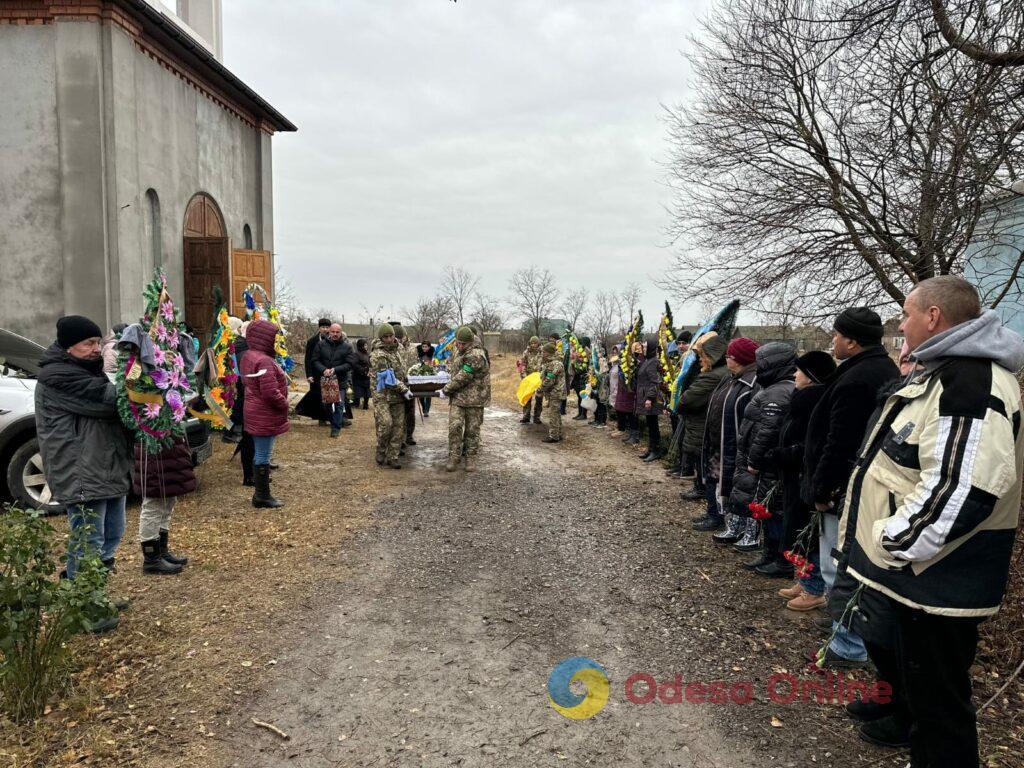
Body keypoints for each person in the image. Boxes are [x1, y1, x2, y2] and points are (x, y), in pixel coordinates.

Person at [836, 278, 1024, 767]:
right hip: (918, 577)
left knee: (940, 711)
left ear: (934, 317)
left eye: (906, 313)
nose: (900, 324)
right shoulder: (946, 373)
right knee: (921, 696)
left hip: (936, 580)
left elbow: (964, 489)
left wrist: (891, 540)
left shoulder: (971, 383)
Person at [803, 307, 898, 668]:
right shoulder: (869, 369)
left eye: (837, 335)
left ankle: (848, 642)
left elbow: (841, 441)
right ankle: (843, 629)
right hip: (852, 488)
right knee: (840, 562)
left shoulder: (860, 378)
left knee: (841, 563)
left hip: (844, 490)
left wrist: (823, 488)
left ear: (852, 340)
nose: (833, 341)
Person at [35, 315, 133, 633]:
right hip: (79, 467)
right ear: (68, 347)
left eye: (97, 343)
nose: (95, 349)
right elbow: (109, 404)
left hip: (104, 463)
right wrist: (141, 385)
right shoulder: (57, 377)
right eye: (87, 344)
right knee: (88, 539)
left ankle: (95, 594)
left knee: (113, 532)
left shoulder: (87, 370)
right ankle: (83, 604)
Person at [764, 351, 836, 587]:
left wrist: (785, 454)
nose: (795, 375)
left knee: (809, 531)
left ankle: (812, 586)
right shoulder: (801, 398)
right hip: (792, 473)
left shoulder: (815, 402)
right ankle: (804, 579)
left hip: (802, 473)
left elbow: (811, 443)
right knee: (797, 528)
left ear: (812, 376)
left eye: (800, 371)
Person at [727, 342, 797, 555]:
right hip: (758, 456)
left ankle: (771, 552)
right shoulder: (772, 389)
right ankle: (768, 550)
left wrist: (754, 459)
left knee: (768, 504)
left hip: (763, 461)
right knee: (760, 500)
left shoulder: (777, 393)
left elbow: (767, 430)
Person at [698, 337, 759, 533]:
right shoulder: (730, 378)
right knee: (715, 479)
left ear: (740, 358)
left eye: (729, 356)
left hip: (733, 444)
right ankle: (715, 514)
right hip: (719, 443)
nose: (726, 359)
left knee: (732, 484)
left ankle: (734, 524)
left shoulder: (751, 383)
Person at [240, 319, 289, 508]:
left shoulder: (249, 356)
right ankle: (262, 495)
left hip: (254, 411)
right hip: (264, 414)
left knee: (260, 452)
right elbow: (269, 392)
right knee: (263, 454)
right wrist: (284, 403)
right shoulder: (264, 361)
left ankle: (261, 493)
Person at [677, 333, 729, 499]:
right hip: (704, 423)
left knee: (704, 465)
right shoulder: (721, 372)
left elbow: (687, 399)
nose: (700, 360)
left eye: (703, 356)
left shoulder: (712, 376)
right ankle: (702, 491)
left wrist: (679, 400)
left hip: (702, 424)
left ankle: (708, 501)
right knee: (703, 464)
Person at [134, 438, 194, 575]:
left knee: (169, 498)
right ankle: (152, 558)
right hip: (153, 450)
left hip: (169, 448)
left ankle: (161, 551)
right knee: (154, 502)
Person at [440, 326, 491, 471]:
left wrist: (446, 390)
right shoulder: (459, 349)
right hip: (458, 397)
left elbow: (464, 376)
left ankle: (470, 458)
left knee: (472, 430)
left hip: (475, 398)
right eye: (458, 343)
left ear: (471, 342)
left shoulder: (476, 354)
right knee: (455, 427)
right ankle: (454, 457)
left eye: (464, 344)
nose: (460, 346)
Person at [370, 324, 412, 469]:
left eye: (391, 336)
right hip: (382, 395)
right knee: (386, 424)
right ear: (380, 338)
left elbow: (403, 368)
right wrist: (404, 389)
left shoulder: (399, 349)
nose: (389, 339)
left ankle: (392, 456)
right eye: (385, 337)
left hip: (398, 396)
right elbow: (388, 378)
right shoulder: (378, 354)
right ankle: (381, 449)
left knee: (398, 427)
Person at [313, 323, 354, 438]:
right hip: (325, 380)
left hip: (340, 381)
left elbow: (350, 364)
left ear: (341, 333)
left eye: (337, 332)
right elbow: (315, 360)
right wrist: (323, 370)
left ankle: (336, 428)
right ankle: (332, 421)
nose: (335, 334)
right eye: (333, 332)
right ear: (329, 332)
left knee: (339, 404)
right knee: (326, 405)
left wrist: (335, 370)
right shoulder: (321, 345)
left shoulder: (347, 347)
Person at [635, 338, 667, 462]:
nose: (643, 348)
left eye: (645, 347)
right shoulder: (648, 360)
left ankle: (656, 450)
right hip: (645, 396)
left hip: (651, 399)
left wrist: (649, 398)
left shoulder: (654, 362)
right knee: (650, 424)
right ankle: (651, 448)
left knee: (653, 425)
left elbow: (655, 382)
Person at [393, 324, 420, 446]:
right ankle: (400, 438)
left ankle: (409, 435)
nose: (400, 340)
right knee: (399, 413)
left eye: (401, 337)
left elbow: (415, 365)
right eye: (397, 338)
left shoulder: (412, 348)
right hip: (397, 384)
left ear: (405, 336)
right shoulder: (393, 348)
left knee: (410, 411)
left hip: (410, 384)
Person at [301, 318, 331, 426]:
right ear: (319, 328)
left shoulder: (333, 339)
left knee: (330, 395)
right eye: (323, 327)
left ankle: (331, 417)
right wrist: (309, 374)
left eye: (327, 327)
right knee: (318, 396)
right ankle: (321, 418)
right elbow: (308, 359)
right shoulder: (312, 341)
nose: (325, 329)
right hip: (315, 373)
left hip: (329, 372)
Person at [537, 341, 565, 444]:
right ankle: (558, 433)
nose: (543, 354)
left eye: (544, 352)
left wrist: (540, 388)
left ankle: (553, 436)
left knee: (553, 414)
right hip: (555, 392)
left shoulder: (555, 364)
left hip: (556, 392)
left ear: (549, 352)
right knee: (556, 413)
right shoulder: (551, 363)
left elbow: (549, 380)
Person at [615, 341, 642, 445]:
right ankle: (631, 434)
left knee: (633, 414)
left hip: (635, 390)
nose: (638, 349)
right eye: (636, 347)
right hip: (629, 389)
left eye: (639, 347)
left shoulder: (638, 360)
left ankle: (635, 435)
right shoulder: (628, 359)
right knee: (629, 413)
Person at [519, 336, 544, 425]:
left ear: (538, 343)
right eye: (532, 343)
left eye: (535, 343)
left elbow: (545, 364)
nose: (533, 345)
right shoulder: (526, 352)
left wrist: (542, 375)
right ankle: (526, 416)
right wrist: (524, 376)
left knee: (539, 398)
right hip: (528, 378)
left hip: (539, 379)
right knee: (527, 397)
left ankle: (537, 417)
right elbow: (523, 364)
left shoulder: (543, 352)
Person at [417, 339, 436, 416]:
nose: (424, 348)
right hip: (420, 375)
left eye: (426, 347)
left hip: (429, 375)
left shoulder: (432, 354)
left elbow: (434, 363)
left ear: (429, 347)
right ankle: (424, 407)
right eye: (423, 347)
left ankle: (426, 411)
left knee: (428, 393)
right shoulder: (419, 353)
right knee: (420, 394)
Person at [352, 338, 372, 409]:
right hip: (358, 376)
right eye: (365, 345)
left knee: (367, 391)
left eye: (366, 345)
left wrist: (369, 370)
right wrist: (363, 370)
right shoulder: (356, 354)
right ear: (361, 346)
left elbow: (369, 363)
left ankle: (366, 404)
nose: (366, 347)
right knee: (358, 391)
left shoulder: (367, 354)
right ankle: (356, 403)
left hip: (366, 376)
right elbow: (355, 364)